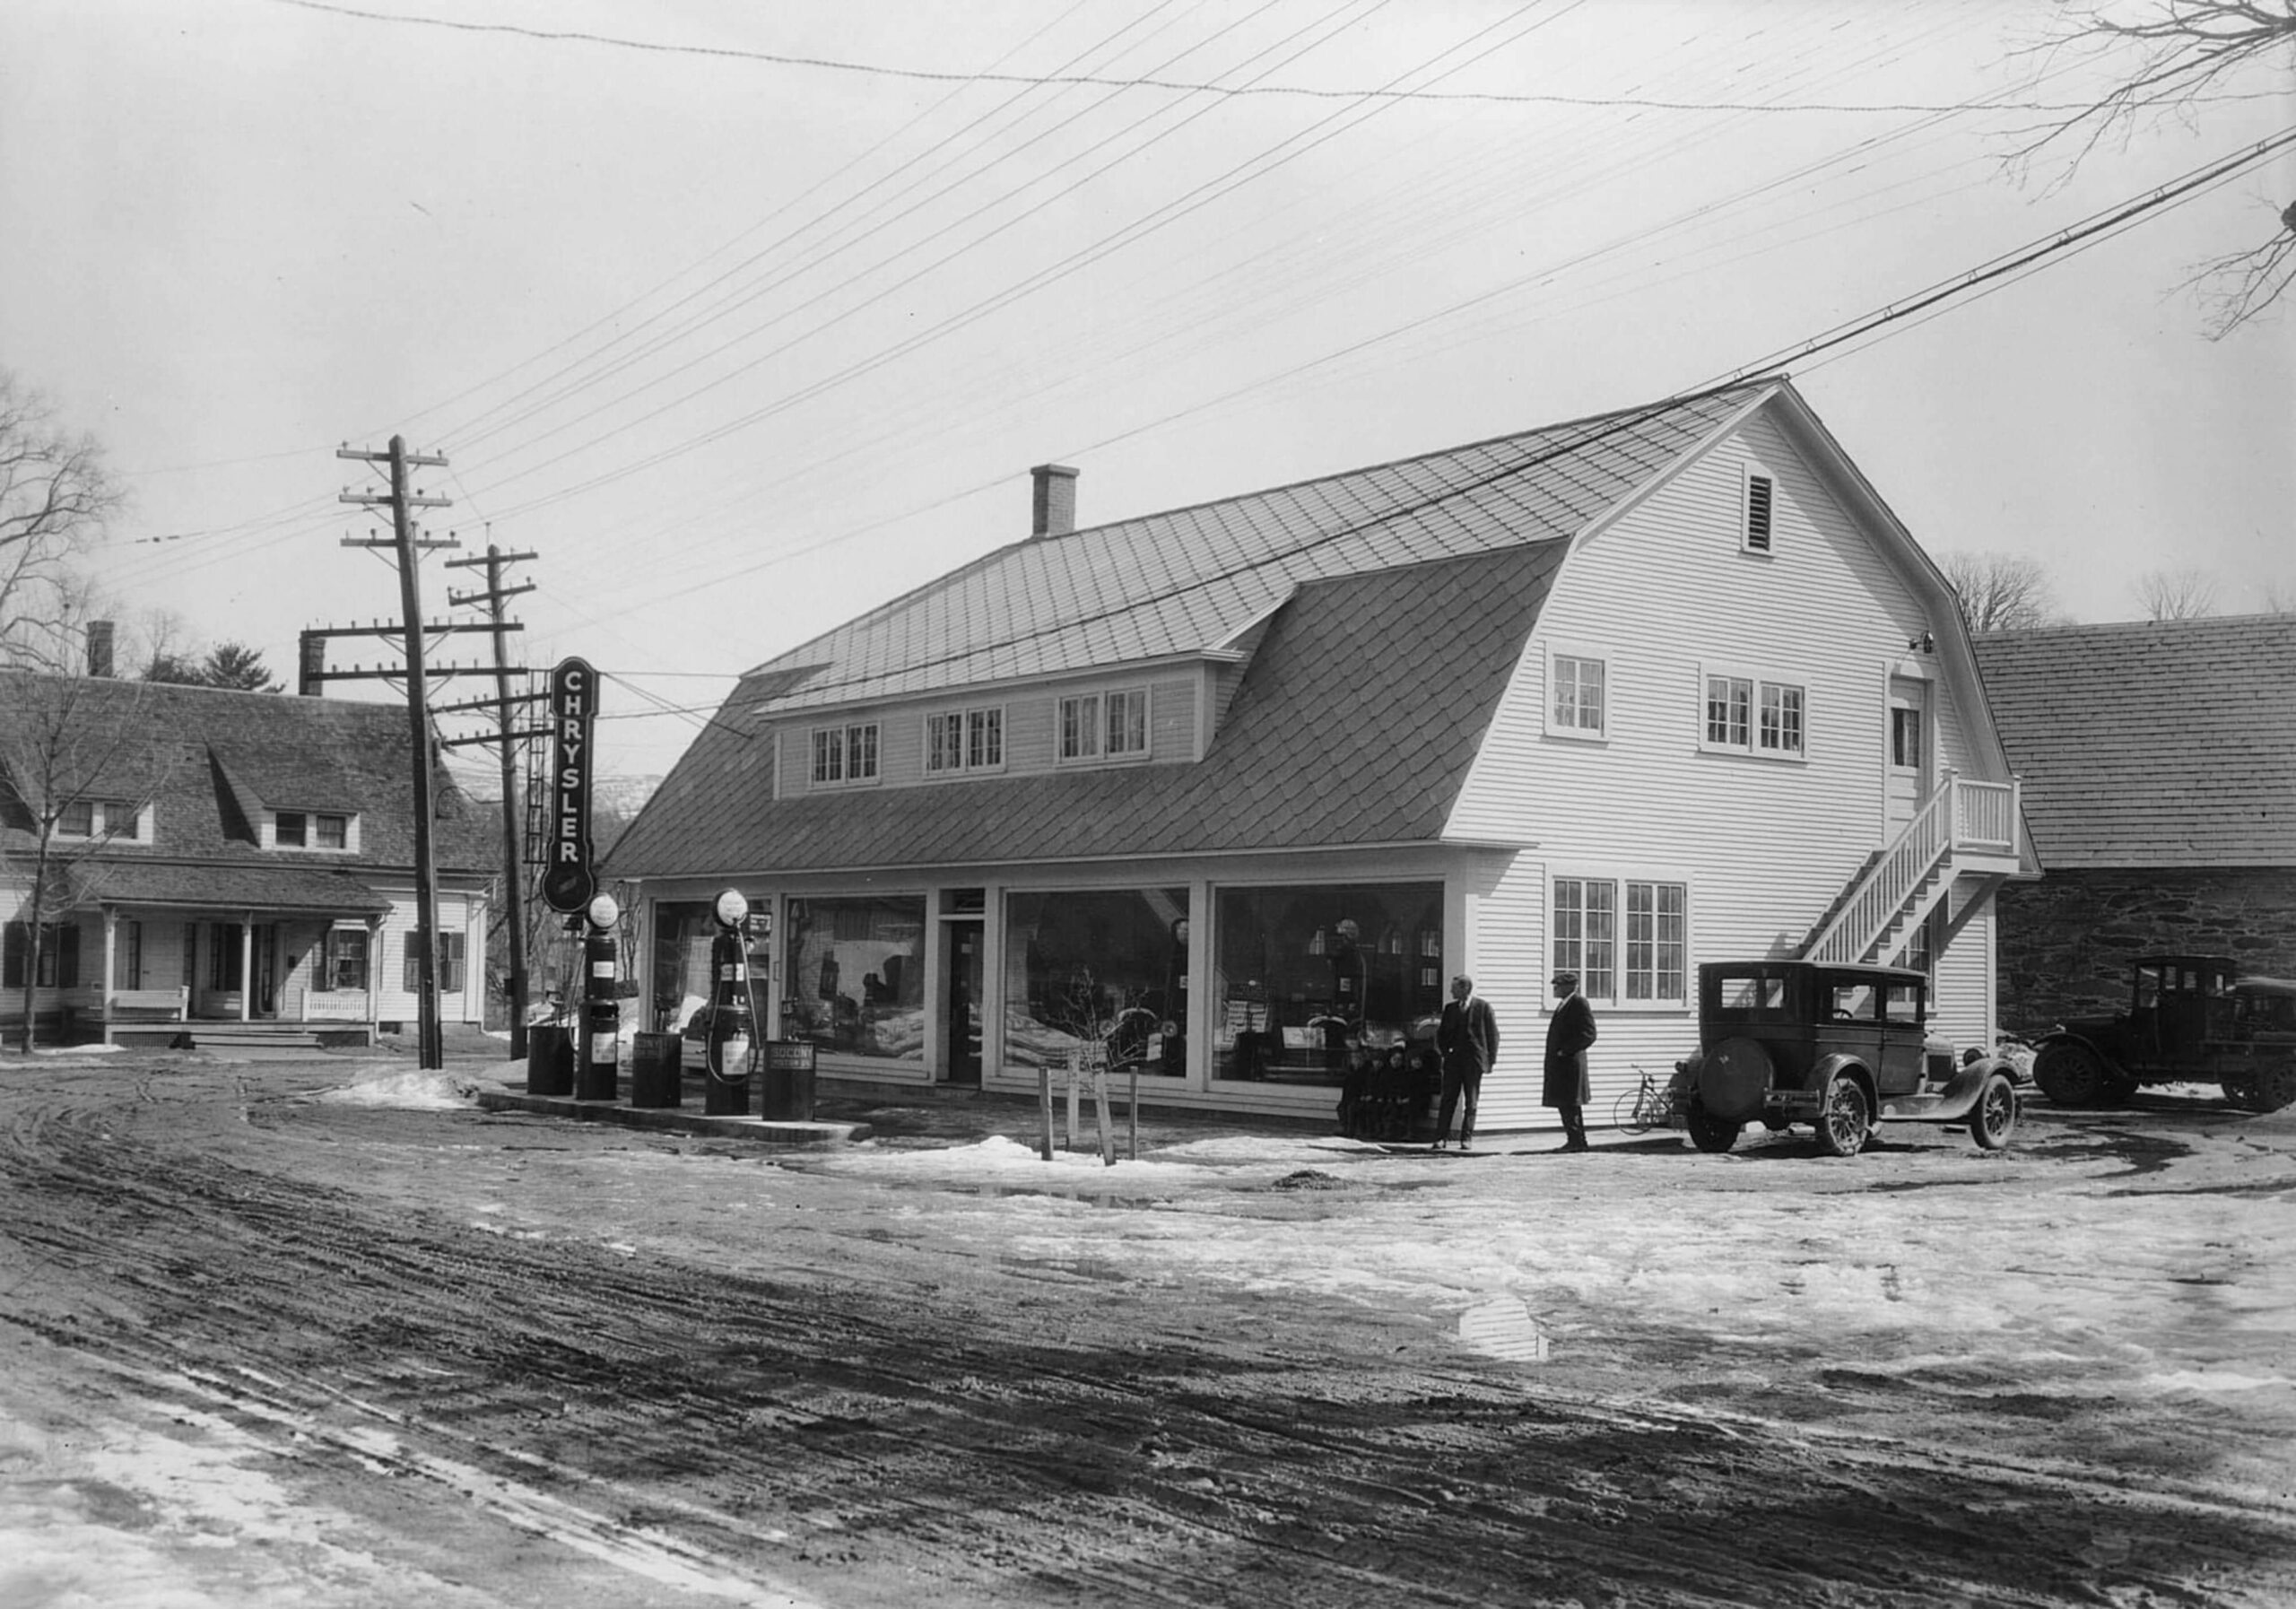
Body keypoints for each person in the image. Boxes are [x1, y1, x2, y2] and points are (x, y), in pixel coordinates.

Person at [1433, 974, 1499, 1151]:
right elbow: (1442, 1034)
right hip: (1454, 1061)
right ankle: (1441, 1138)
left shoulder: (1483, 1007)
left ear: (1465, 989)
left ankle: (1466, 1138)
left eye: (1454, 988)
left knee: (1471, 1101)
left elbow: (1493, 1035)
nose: (1450, 991)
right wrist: (1445, 1052)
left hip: (1474, 1061)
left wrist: (1490, 1060)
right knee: (1448, 1099)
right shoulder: (1450, 1009)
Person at [1544, 970, 1597, 1152]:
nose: (1555, 989)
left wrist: (1565, 1051)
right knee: (1565, 1103)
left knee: (1570, 1103)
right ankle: (1575, 1140)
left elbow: (1589, 1034)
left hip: (1570, 1064)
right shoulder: (1563, 1005)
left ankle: (1577, 1141)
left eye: (1558, 986)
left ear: (1570, 987)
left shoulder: (1578, 1003)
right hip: (1561, 1065)